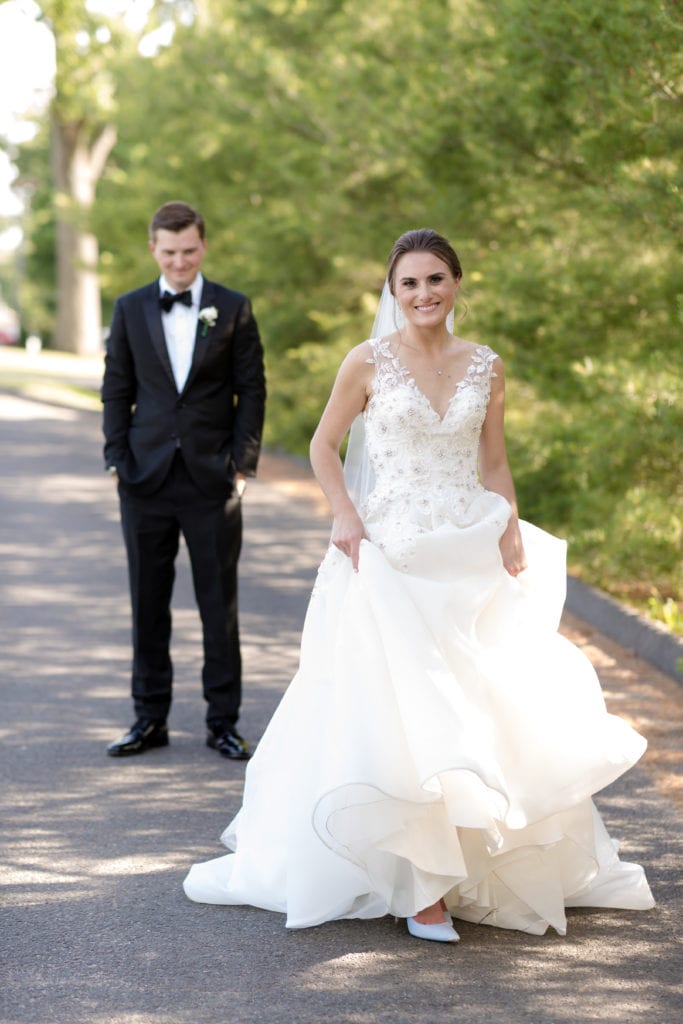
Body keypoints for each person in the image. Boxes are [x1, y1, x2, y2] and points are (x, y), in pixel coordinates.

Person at [183, 228, 654, 941]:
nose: (423, 293)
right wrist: (343, 513)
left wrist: (510, 525)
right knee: (401, 708)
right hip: (385, 550)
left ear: (455, 284)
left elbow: (492, 463)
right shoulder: (367, 360)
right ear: (392, 291)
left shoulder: (486, 367)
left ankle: (470, 864)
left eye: (435, 279)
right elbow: (321, 445)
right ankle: (417, 883)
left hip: (464, 544)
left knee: (473, 702)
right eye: (409, 283)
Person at [102, 201, 266, 761]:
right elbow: (116, 388)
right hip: (144, 480)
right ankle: (149, 718)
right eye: (169, 252)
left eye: (189, 251)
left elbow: (253, 391)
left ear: (203, 246)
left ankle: (223, 722)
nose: (179, 261)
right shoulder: (128, 309)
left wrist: (241, 465)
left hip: (211, 481)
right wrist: (117, 458)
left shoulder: (234, 309)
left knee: (218, 606)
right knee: (147, 604)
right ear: (153, 248)